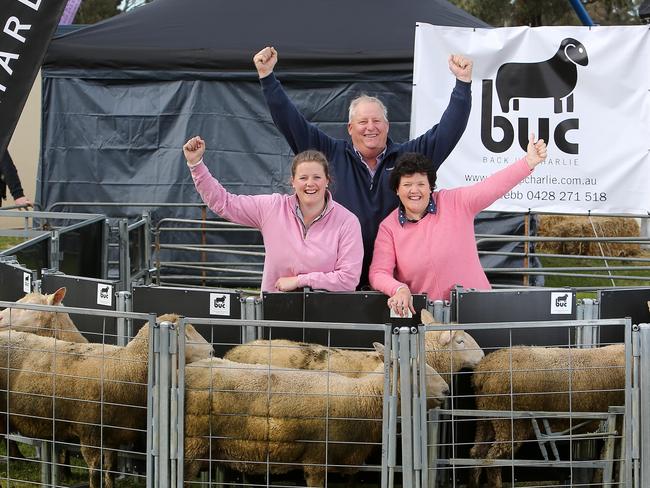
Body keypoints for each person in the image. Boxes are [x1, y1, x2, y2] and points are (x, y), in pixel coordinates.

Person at [253, 46, 472, 287]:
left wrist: (462, 84)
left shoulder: (408, 160)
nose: (371, 127)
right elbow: (292, 123)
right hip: (336, 279)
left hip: (394, 281)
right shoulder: (330, 154)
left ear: (387, 126)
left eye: (377, 121)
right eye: (363, 122)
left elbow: (448, 132)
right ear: (350, 128)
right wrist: (267, 78)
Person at [369, 135, 548, 317]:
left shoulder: (456, 202)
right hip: (427, 317)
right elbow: (378, 272)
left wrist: (528, 162)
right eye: (407, 184)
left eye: (421, 184)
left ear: (431, 187)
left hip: (476, 308)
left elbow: (492, 186)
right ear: (397, 190)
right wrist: (398, 288)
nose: (414, 190)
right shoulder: (389, 227)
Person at [182, 136, 363, 292]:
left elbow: (348, 279)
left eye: (317, 177)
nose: (310, 184)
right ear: (292, 182)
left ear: (327, 181)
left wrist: (301, 281)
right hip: (274, 313)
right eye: (303, 178)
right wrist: (196, 164)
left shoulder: (347, 221)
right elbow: (225, 203)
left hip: (325, 316)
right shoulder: (272, 207)